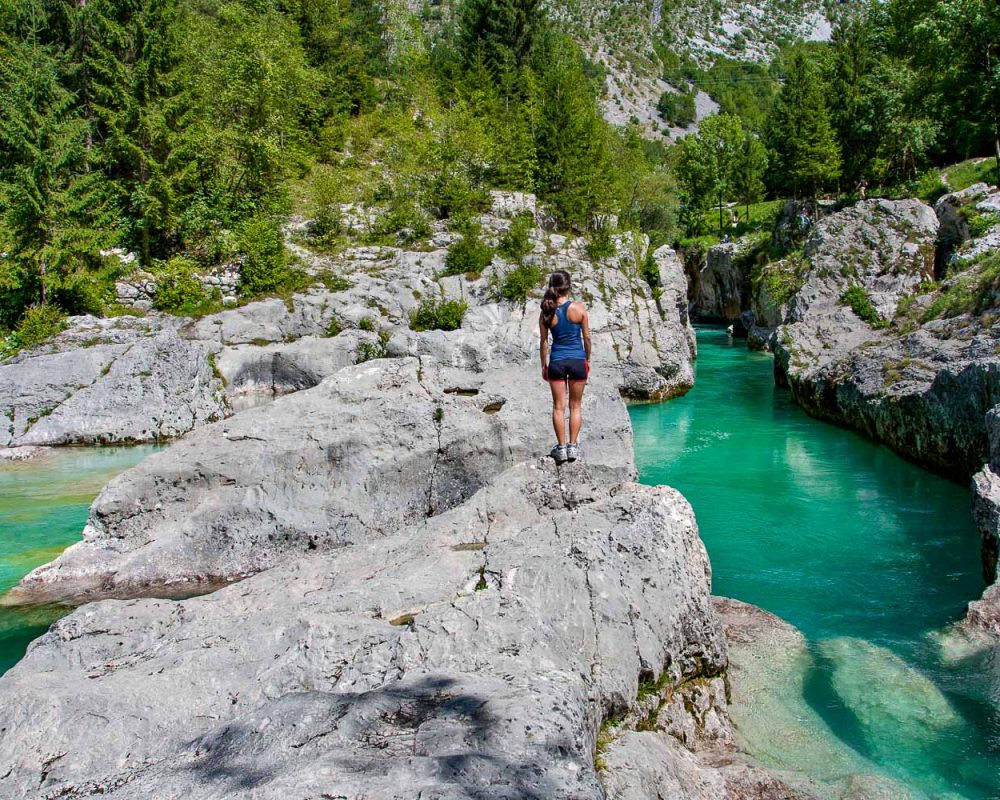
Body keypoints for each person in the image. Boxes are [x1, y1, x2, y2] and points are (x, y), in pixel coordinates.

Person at [539, 270, 591, 464]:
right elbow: (587, 337)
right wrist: (587, 358)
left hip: (557, 362)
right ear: (568, 286)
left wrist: (544, 365)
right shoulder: (579, 309)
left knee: (558, 407)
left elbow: (544, 342)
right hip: (578, 361)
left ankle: (560, 448)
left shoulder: (547, 310)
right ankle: (572, 447)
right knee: (575, 406)